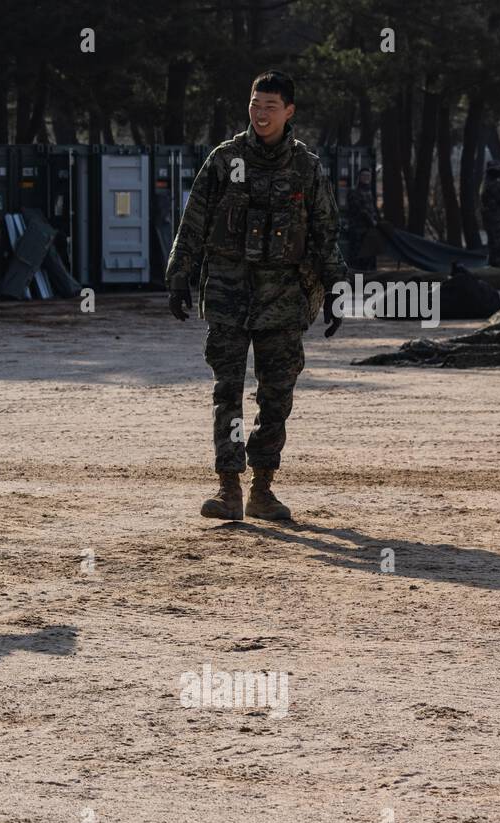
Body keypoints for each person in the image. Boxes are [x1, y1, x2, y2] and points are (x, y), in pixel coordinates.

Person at [164, 70, 349, 523]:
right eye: (254, 104)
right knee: (227, 392)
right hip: (229, 293)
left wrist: (336, 286)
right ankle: (228, 489)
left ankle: (263, 489)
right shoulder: (225, 160)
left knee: (277, 396)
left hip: (285, 298)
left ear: (289, 112)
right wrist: (178, 272)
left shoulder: (307, 167)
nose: (260, 113)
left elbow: (326, 233)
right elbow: (194, 220)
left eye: (270, 106)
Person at [345, 167, 378, 272]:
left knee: (369, 257)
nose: (366, 178)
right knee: (357, 257)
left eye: (368, 176)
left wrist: (377, 221)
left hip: (369, 231)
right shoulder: (354, 192)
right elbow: (360, 210)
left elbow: (373, 209)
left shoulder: (369, 192)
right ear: (359, 177)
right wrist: (372, 221)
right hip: (357, 230)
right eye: (364, 176)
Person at [480, 162, 500, 268]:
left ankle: (494, 265)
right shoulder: (493, 184)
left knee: (493, 243)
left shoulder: (485, 183)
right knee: (499, 244)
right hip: (496, 218)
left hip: (490, 218)